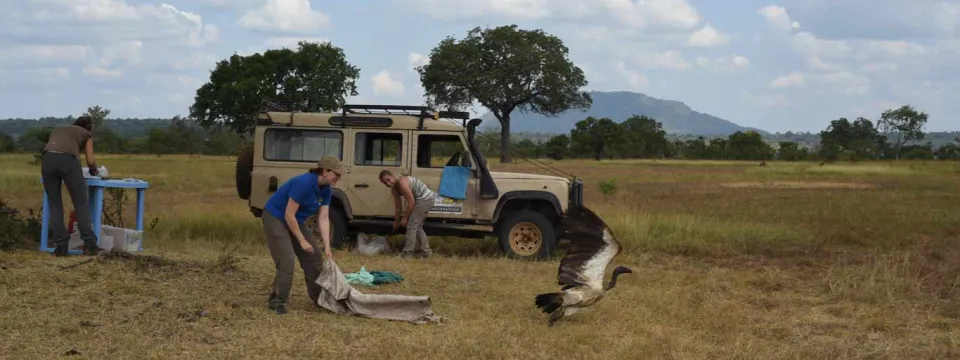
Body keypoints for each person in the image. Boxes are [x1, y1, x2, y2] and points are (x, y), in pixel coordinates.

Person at [261, 156, 344, 314]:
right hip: (276, 217)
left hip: (294, 220)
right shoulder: (304, 183)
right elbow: (288, 215)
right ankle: (277, 301)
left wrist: (327, 246)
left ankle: (318, 298)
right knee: (287, 260)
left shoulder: (326, 189)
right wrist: (301, 241)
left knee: (314, 256)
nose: (338, 179)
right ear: (325, 171)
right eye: (336, 175)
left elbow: (324, 218)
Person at [41, 115, 100, 257]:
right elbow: (90, 161)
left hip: (47, 160)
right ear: (88, 127)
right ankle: (89, 245)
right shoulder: (86, 134)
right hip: (67, 160)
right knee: (80, 202)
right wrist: (94, 170)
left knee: (54, 204)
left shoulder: (59, 130)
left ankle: (60, 247)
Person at [378, 170, 436, 259]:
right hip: (421, 200)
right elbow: (398, 208)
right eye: (385, 183)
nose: (388, 183)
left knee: (411, 226)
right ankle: (426, 252)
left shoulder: (402, 182)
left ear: (393, 176)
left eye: (388, 180)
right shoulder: (394, 190)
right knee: (418, 226)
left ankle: (407, 253)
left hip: (426, 199)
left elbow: (411, 202)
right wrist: (396, 222)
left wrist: (405, 218)